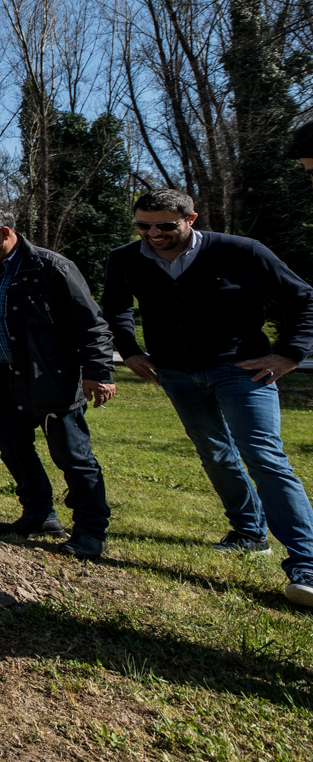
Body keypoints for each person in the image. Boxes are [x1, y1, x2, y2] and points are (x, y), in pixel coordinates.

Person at [102, 188, 313, 608]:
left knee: (264, 457)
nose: (153, 233)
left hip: (242, 369)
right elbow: (115, 308)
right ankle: (249, 533)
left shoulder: (242, 251)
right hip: (176, 373)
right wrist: (130, 351)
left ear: (191, 219)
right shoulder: (125, 258)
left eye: (165, 225)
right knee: (214, 454)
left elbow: (303, 297)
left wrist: (290, 354)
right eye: (143, 225)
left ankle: (307, 564)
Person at [0, 204, 115, 560]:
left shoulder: (51, 267)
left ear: (6, 233)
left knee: (73, 457)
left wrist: (98, 373)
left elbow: (91, 325)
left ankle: (91, 532)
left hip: (49, 377)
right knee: (10, 445)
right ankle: (39, 514)